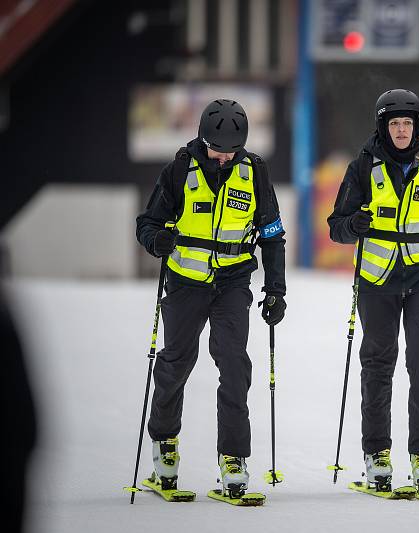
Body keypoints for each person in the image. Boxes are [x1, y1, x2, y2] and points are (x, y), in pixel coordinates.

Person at [135, 98, 287, 498]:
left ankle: (233, 459)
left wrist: (276, 289)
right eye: (217, 149)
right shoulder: (179, 170)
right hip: (186, 281)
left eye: (231, 150)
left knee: (234, 364)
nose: (224, 157)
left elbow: (272, 236)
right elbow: (147, 223)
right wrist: (157, 241)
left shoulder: (254, 172)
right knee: (176, 363)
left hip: (233, 282)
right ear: (204, 140)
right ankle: (164, 447)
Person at [327, 88, 419, 494]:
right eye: (395, 123)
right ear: (383, 127)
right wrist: (353, 224)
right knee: (378, 362)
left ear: (417, 126)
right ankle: (377, 454)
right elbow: (335, 226)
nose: (402, 130)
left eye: (408, 123)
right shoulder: (362, 167)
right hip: (378, 278)